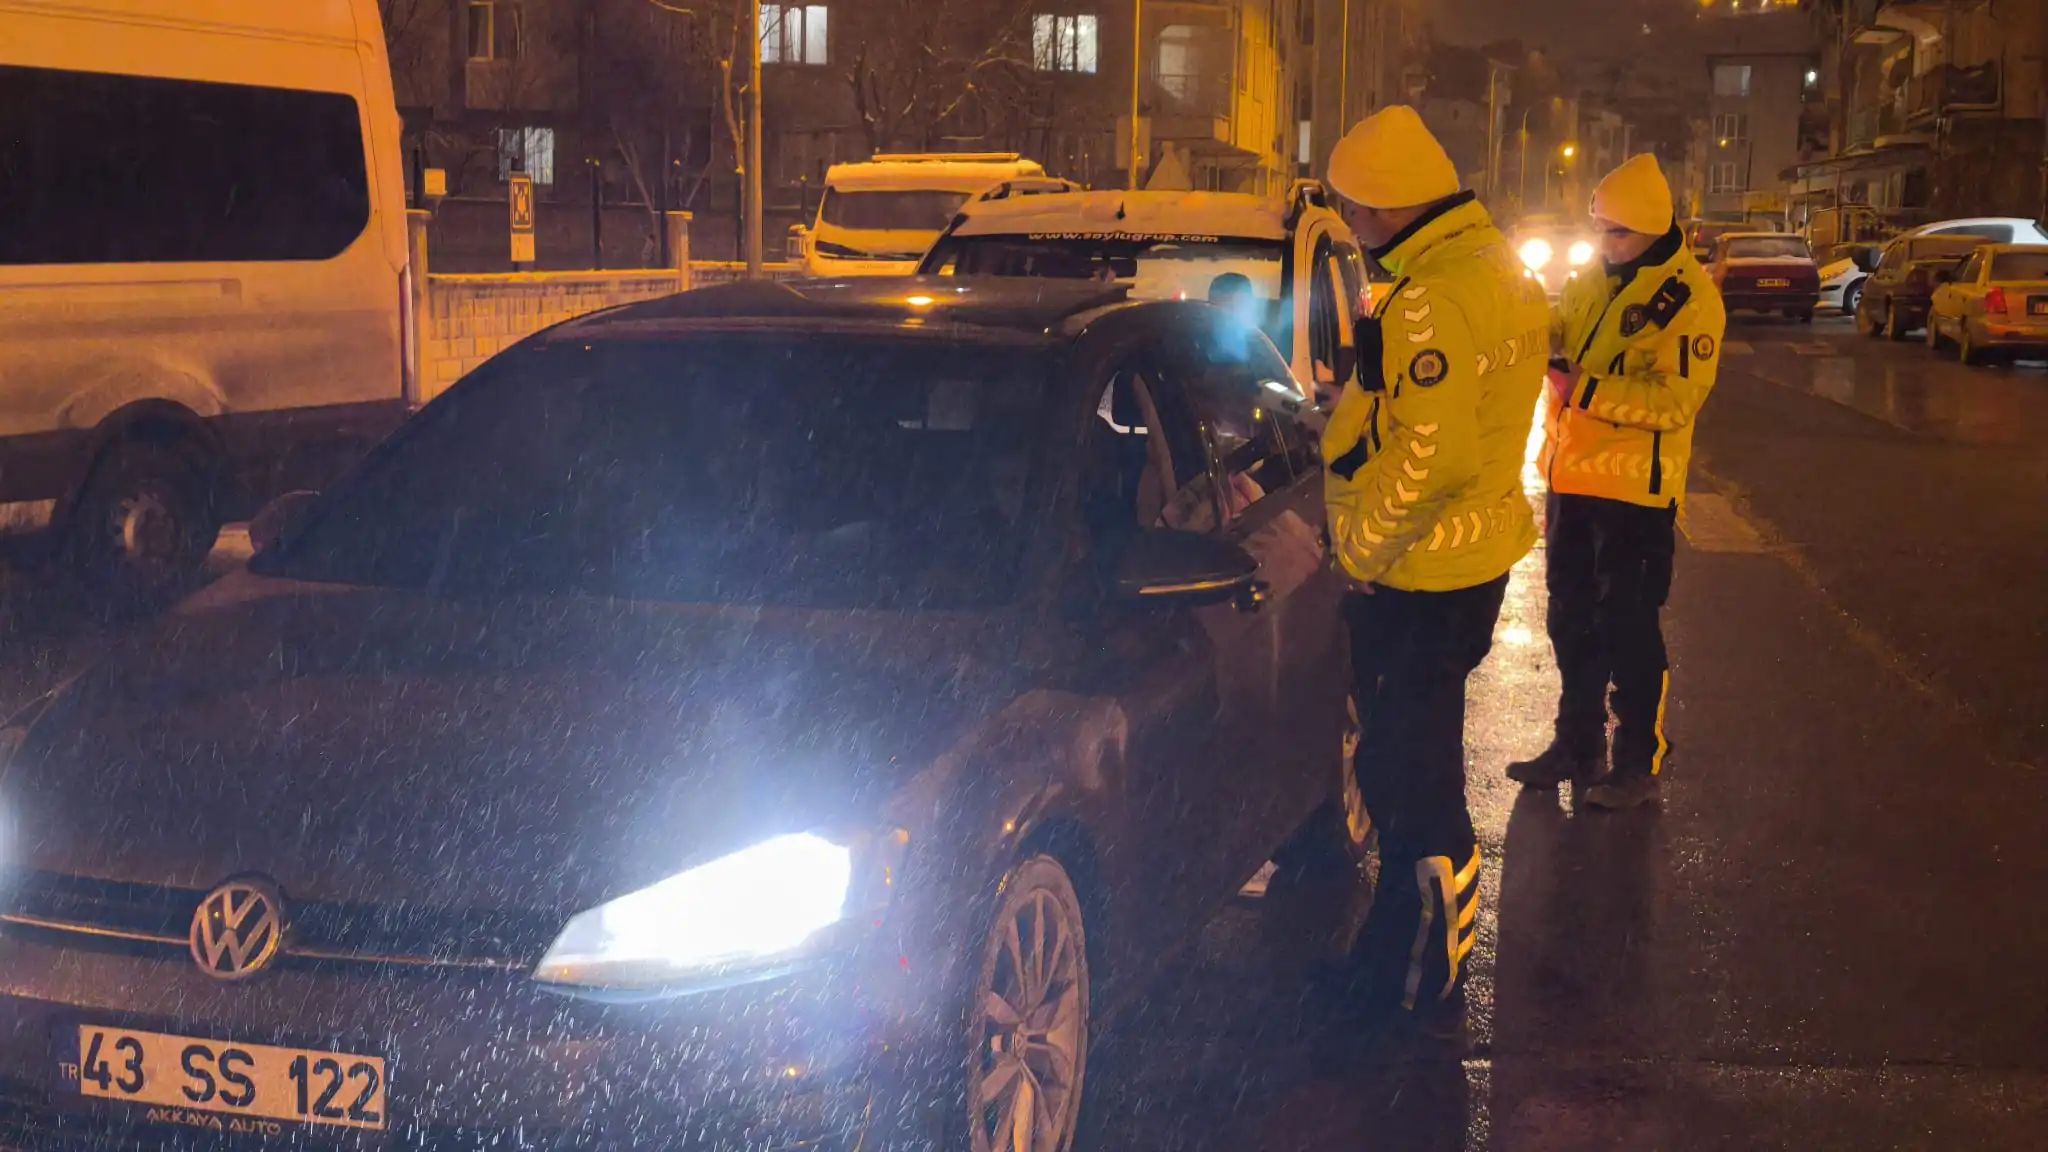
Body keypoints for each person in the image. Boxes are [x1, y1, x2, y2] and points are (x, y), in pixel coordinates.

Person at [1319, 106, 1549, 1033]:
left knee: (1409, 779)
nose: (1350, 225)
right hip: (1470, 559)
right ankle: (1423, 948)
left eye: (1354, 208)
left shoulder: (1427, 300)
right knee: (1414, 762)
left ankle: (1413, 976)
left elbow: (1431, 459)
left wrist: (1360, 550)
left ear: (1386, 206)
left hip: (1421, 572)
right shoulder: (1494, 267)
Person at [1506, 153, 1725, 810]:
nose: (1605, 242)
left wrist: (1587, 390)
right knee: (1569, 620)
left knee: (1628, 627)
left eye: (1617, 231)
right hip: (1571, 481)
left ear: (1651, 227)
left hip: (1634, 495)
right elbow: (1558, 333)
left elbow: (1676, 401)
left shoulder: (1688, 300)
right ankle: (1576, 743)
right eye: (1600, 228)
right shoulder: (1593, 281)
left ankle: (1637, 759)